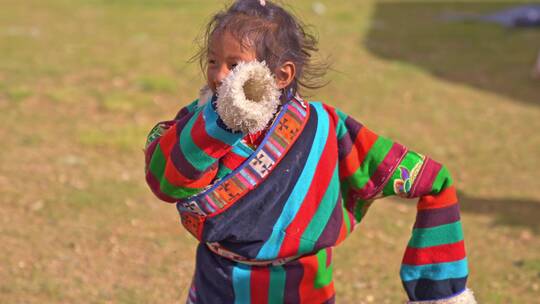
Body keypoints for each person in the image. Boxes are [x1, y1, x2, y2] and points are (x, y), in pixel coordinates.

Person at [144, 1, 477, 303]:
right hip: (218, 285)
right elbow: (166, 183)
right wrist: (218, 125)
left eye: (234, 65)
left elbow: (430, 179)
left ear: (280, 75)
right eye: (213, 61)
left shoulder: (327, 128)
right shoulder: (199, 121)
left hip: (304, 289)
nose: (218, 76)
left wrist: (441, 291)